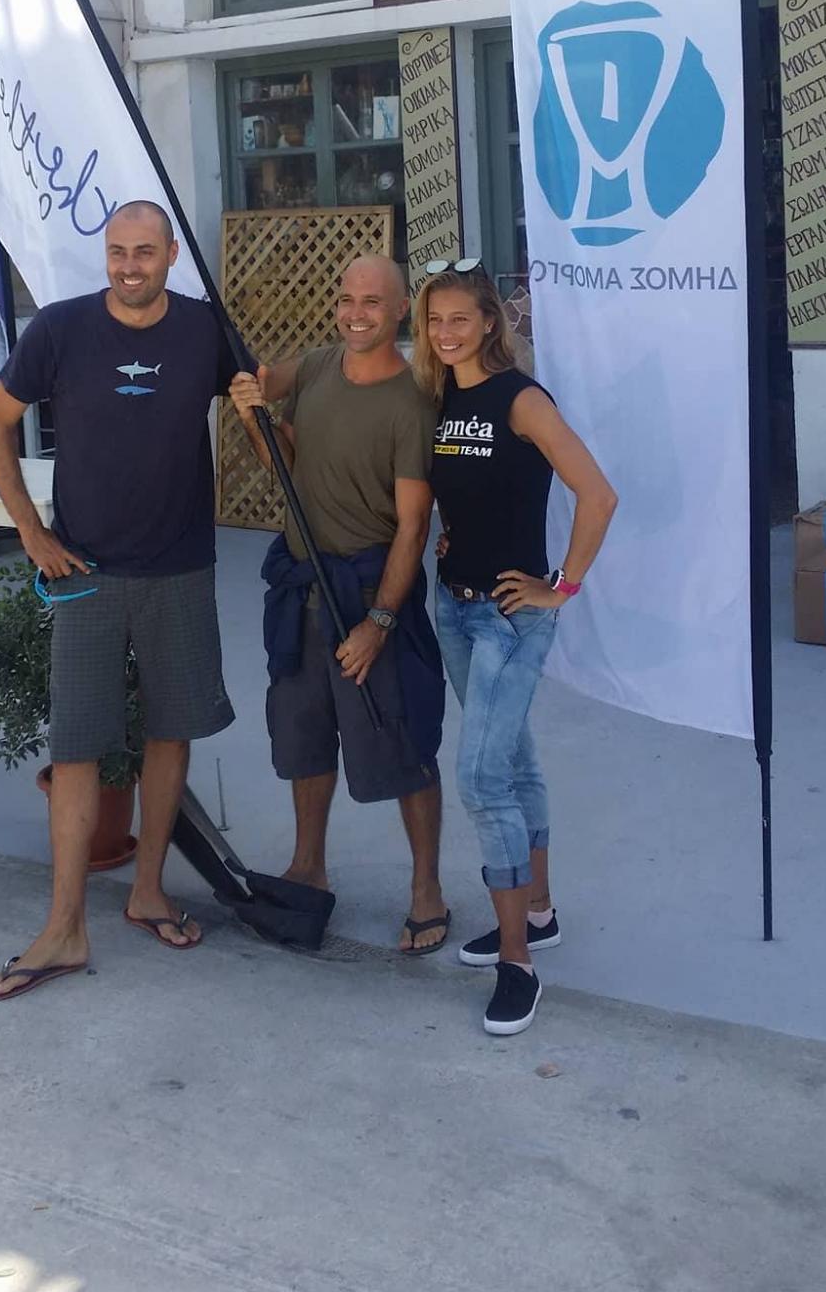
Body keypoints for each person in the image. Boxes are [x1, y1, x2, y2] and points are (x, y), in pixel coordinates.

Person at [0, 201, 236, 999]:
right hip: (83, 570)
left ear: (170, 257)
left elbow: (258, 405)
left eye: (144, 252)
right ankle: (63, 928)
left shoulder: (204, 329)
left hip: (179, 565)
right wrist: (31, 532)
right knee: (77, 746)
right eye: (118, 251)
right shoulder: (60, 329)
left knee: (169, 731)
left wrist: (269, 410)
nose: (129, 266)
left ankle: (147, 890)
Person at [413, 262, 617, 1036]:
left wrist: (559, 586)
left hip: (507, 617)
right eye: (434, 320)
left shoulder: (521, 400)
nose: (445, 333)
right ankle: (537, 911)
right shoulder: (440, 398)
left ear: (489, 323)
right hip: (453, 605)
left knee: (481, 780)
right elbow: (463, 492)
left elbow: (597, 494)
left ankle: (516, 963)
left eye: (459, 319)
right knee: (514, 760)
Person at [229, 256, 449, 955]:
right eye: (346, 299)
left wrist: (379, 623)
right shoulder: (319, 366)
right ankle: (308, 865)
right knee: (302, 735)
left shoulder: (411, 402)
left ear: (401, 310)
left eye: (372, 303)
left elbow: (413, 526)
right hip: (301, 589)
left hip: (367, 593)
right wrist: (250, 402)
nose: (356, 314)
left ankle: (426, 888)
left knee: (403, 740)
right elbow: (282, 452)